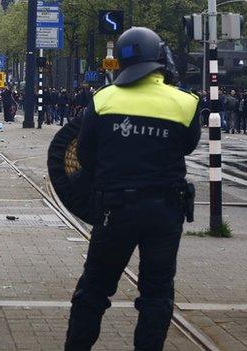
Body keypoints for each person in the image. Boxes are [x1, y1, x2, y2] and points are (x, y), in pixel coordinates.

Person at [65, 27, 200, 350]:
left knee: (94, 290)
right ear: (158, 57)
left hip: (115, 210)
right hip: (165, 212)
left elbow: (83, 153)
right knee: (157, 293)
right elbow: (188, 146)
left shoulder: (104, 100)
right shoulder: (185, 103)